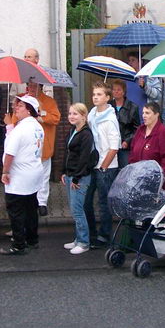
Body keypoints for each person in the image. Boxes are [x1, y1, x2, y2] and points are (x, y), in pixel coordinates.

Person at [7, 81, 60, 216]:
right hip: (25, 147)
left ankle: (42, 202)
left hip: (43, 145)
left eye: (35, 86)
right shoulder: (21, 100)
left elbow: (55, 118)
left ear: (40, 87)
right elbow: (14, 120)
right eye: (29, 85)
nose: (31, 88)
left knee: (44, 175)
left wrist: (41, 116)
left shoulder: (49, 101)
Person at [0, 96, 45, 255]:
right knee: (31, 208)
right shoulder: (37, 127)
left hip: (18, 174)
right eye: (15, 105)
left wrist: (5, 171)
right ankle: (32, 239)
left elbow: (10, 153)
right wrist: (9, 126)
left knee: (16, 210)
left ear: (29, 109)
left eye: (19, 106)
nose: (15, 108)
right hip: (33, 171)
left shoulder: (21, 129)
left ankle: (19, 244)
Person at [85, 82, 121, 247]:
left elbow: (114, 147)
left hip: (105, 167)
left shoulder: (110, 119)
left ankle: (104, 235)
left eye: (99, 95)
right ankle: (90, 232)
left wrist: (103, 166)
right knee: (87, 200)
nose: (95, 97)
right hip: (93, 163)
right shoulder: (92, 113)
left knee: (103, 202)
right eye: (94, 94)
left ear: (108, 98)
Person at [61, 103, 95, 255]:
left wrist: (76, 177)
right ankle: (77, 239)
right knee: (75, 210)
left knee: (78, 211)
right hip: (70, 175)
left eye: (75, 114)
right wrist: (64, 172)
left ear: (84, 116)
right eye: (70, 113)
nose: (71, 116)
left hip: (79, 177)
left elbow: (84, 158)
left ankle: (84, 242)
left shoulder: (86, 134)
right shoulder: (73, 130)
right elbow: (68, 153)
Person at [129, 102, 165, 191]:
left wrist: (158, 179)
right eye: (143, 113)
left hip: (160, 185)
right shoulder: (140, 130)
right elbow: (132, 152)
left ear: (156, 114)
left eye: (147, 113)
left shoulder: (163, 132)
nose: (144, 116)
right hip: (139, 182)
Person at [111, 79, 140, 168]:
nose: (116, 92)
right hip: (111, 146)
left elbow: (137, 129)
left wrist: (127, 141)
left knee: (124, 170)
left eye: (118, 90)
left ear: (124, 92)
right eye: (114, 89)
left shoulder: (133, 107)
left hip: (125, 147)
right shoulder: (108, 106)